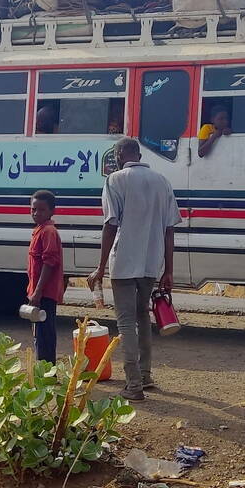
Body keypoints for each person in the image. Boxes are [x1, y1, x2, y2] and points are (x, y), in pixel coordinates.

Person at [88, 138, 181, 401]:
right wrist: (169, 270)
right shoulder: (162, 181)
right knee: (142, 317)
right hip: (151, 263)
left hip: (125, 262)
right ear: (139, 154)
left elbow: (110, 225)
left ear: (119, 155)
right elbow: (170, 229)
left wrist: (100, 267)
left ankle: (133, 385)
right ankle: (145, 375)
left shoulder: (115, 180)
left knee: (126, 321)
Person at [27, 190, 65, 364]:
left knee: (45, 336)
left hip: (45, 294)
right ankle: (44, 373)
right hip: (39, 292)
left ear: (51, 211)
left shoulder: (48, 231)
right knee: (40, 333)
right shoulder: (39, 230)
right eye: (33, 209)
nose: (36, 213)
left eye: (41, 210)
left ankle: (47, 375)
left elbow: (49, 263)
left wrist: (37, 292)